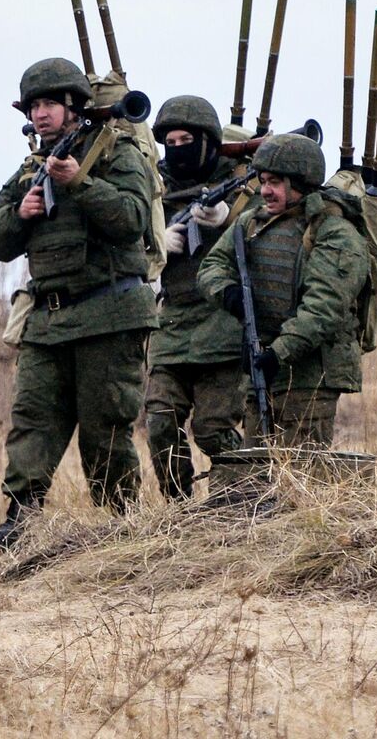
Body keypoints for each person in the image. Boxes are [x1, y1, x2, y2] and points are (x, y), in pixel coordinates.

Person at [0, 58, 157, 553]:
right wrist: (21, 213)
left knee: (105, 427)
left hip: (109, 313)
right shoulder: (31, 168)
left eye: (50, 103)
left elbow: (133, 218)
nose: (41, 113)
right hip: (48, 320)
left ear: (74, 107)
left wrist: (80, 182)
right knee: (33, 418)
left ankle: (123, 528)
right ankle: (20, 522)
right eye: (34, 105)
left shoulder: (117, 153)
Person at [197, 133, 368, 448]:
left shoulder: (334, 233)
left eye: (274, 182)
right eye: (262, 181)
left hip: (311, 376)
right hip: (262, 366)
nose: (264, 190)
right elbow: (212, 267)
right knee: (254, 473)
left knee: (302, 475)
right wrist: (228, 292)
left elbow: (323, 308)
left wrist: (279, 353)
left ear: (299, 184)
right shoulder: (250, 223)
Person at [145, 95, 250, 501]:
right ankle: (178, 508)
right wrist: (155, 246)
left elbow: (272, 233)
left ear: (207, 141)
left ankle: (241, 502)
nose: (177, 147)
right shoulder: (155, 188)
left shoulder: (242, 185)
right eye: (169, 140)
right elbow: (121, 243)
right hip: (171, 325)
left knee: (213, 429)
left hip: (222, 327)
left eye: (186, 138)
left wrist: (229, 219)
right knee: (159, 422)